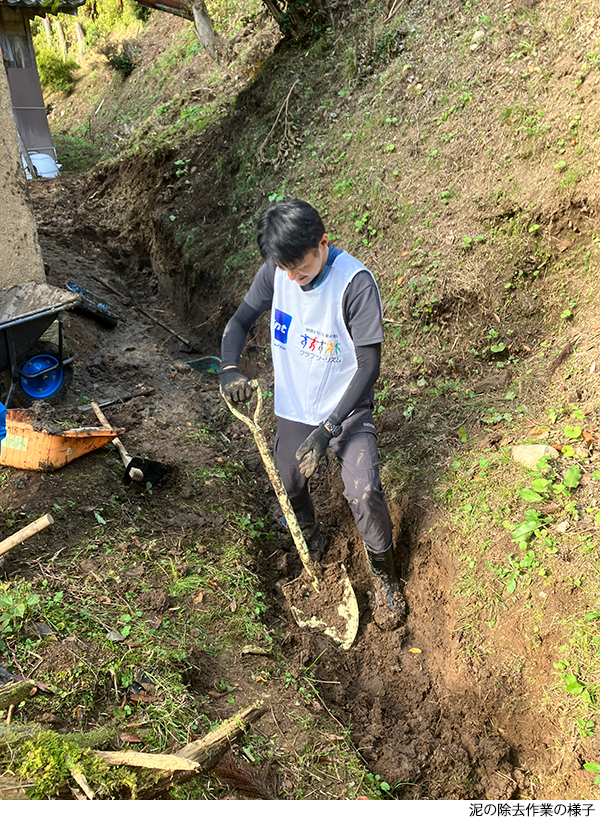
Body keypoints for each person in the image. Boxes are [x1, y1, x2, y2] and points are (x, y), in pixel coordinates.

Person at [219, 199, 404, 631]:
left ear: (323, 243)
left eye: (299, 268)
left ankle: (384, 577)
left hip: (346, 409)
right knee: (289, 478)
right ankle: (311, 538)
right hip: (296, 406)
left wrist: (329, 429)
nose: (292, 278)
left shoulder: (353, 284)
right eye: (284, 268)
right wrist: (228, 368)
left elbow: (369, 366)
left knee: (363, 490)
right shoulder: (277, 273)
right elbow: (241, 320)